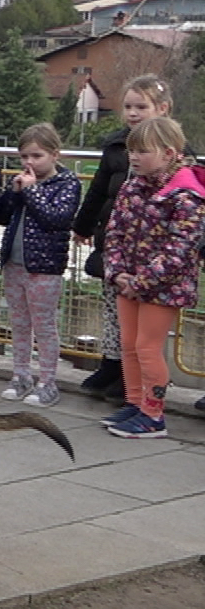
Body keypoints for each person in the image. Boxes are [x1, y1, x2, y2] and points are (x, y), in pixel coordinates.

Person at [101, 116, 204, 439]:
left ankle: (153, 414)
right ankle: (135, 403)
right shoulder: (132, 187)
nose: (134, 157)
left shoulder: (187, 196)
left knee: (147, 347)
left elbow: (180, 249)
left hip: (164, 288)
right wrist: (116, 271)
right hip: (128, 281)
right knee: (129, 344)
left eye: (143, 151)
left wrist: (141, 280)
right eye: (132, 150)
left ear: (169, 153)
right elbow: (114, 231)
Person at [72, 75, 173, 402]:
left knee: (145, 323)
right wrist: (84, 224)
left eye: (141, 107)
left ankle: (142, 378)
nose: (132, 113)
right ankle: (112, 364)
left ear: (162, 109)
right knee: (114, 312)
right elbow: (100, 189)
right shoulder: (116, 146)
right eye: (128, 106)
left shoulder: (173, 152)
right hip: (115, 245)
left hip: (152, 252)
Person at [0, 123, 81, 407]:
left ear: (55, 155)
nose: (29, 163)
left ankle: (48, 381)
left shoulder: (67, 183)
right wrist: (14, 192)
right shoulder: (23, 181)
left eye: (36, 156)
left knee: (44, 325)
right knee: (19, 323)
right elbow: (3, 215)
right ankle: (21, 374)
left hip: (44, 266)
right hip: (14, 262)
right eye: (24, 157)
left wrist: (32, 192)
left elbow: (56, 219)